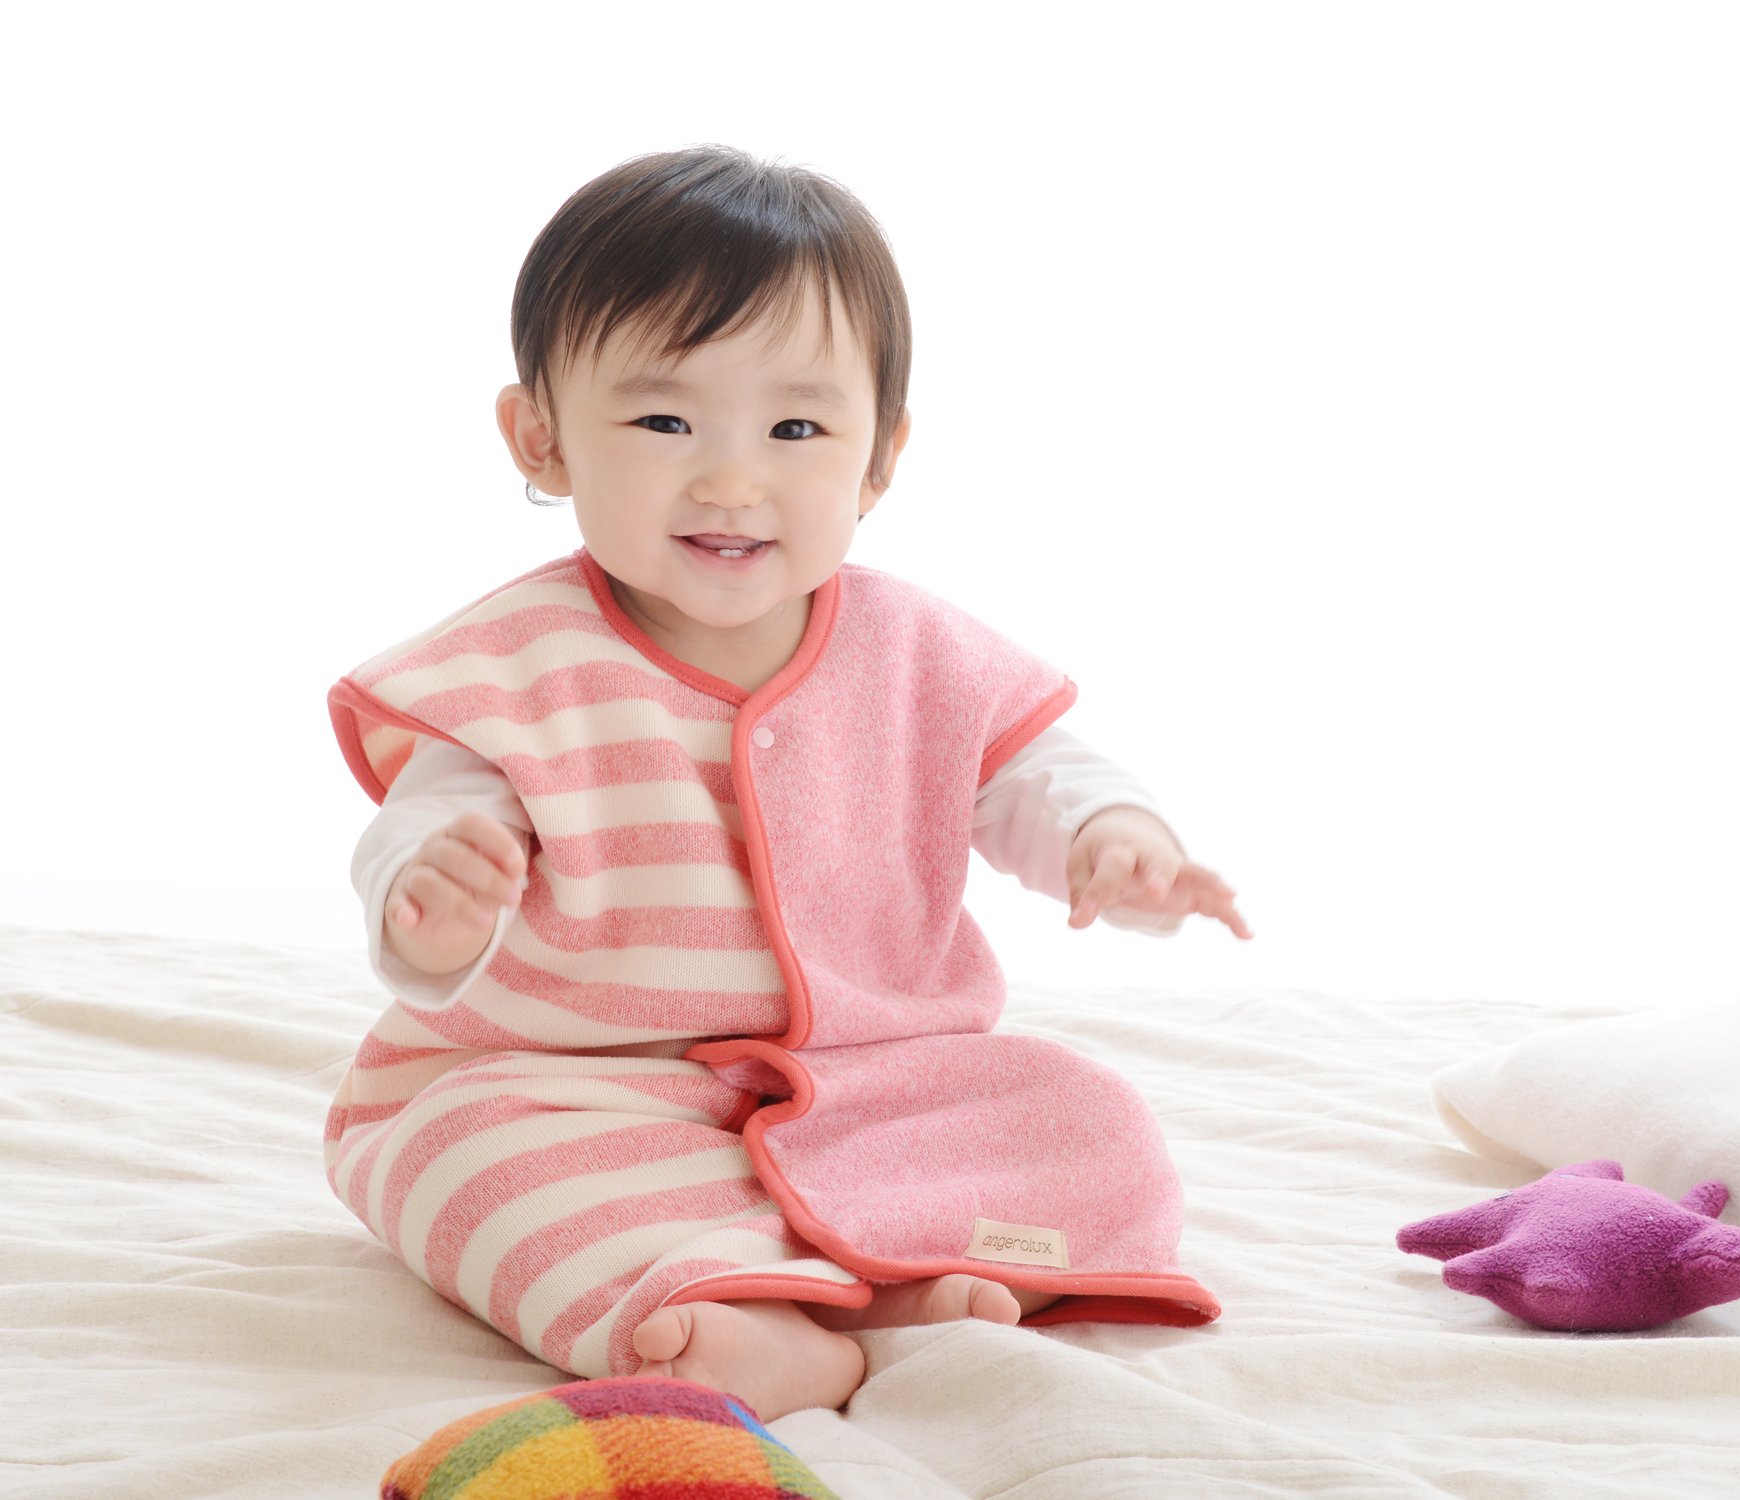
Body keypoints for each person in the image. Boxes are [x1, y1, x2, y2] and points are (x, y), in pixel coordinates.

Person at [324, 144, 1251, 1423]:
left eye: (797, 429)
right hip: (575, 1086)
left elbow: (1034, 776)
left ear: (881, 457)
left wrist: (1114, 839)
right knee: (452, 1153)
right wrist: (431, 907)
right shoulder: (506, 668)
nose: (731, 479)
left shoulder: (919, 652)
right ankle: (743, 1310)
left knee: (1090, 1125)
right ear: (542, 437)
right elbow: (428, 823)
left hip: (876, 1083)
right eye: (664, 422)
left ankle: (879, 1283)